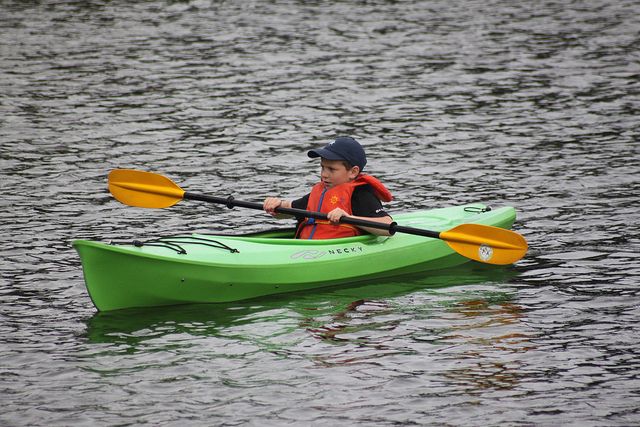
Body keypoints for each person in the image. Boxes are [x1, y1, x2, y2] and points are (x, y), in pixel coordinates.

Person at [263, 136, 393, 239]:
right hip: (306, 249)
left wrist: (348, 217)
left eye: (331, 169)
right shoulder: (321, 191)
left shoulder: (360, 194)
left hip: (336, 251)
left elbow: (387, 226)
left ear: (353, 172)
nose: (324, 174)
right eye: (323, 167)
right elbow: (289, 210)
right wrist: (277, 205)